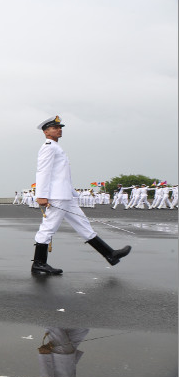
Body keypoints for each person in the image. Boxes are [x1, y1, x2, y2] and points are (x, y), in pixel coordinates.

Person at [31, 116, 131, 275]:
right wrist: (41, 195)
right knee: (48, 228)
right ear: (46, 131)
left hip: (65, 196)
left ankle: (110, 254)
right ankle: (39, 263)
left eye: (60, 127)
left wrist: (72, 193)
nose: (59, 129)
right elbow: (43, 172)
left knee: (83, 224)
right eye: (54, 127)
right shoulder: (48, 147)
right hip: (57, 196)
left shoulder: (56, 147)